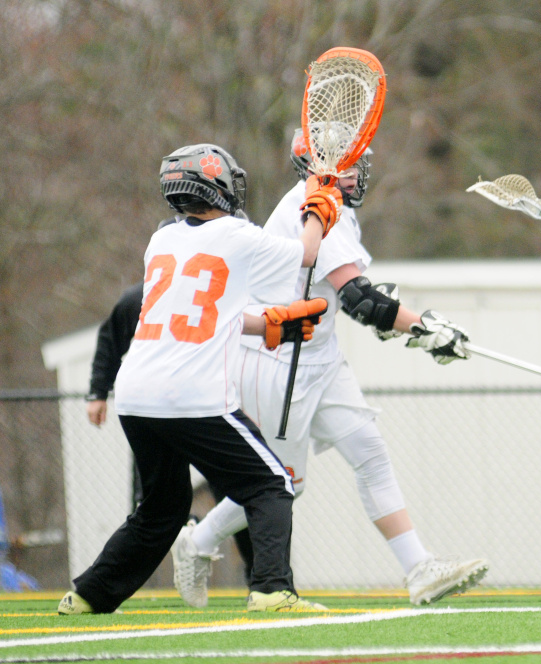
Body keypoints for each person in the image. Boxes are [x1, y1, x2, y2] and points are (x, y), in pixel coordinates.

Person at [172, 131, 488, 609]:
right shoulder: (309, 204)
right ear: (317, 166)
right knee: (283, 483)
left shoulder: (339, 207)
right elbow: (361, 300)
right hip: (279, 360)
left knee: (369, 450)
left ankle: (419, 568)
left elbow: (350, 290)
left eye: (360, 163)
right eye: (350, 164)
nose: (359, 172)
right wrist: (422, 327)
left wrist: (405, 323)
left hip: (319, 354)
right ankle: (197, 541)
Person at [58, 142, 339, 614]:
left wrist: (268, 324)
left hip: (136, 395)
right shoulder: (237, 235)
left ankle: (88, 595)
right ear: (217, 185)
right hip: (192, 395)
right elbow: (308, 254)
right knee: (273, 483)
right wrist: (320, 203)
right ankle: (272, 589)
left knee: (161, 509)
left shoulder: (161, 239)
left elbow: (201, 312)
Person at [83, 219, 256, 585]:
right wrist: (98, 392)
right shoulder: (138, 300)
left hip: (201, 408)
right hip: (161, 411)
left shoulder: (216, 292)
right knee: (152, 504)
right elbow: (110, 341)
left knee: (233, 489)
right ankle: (123, 582)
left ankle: (257, 572)